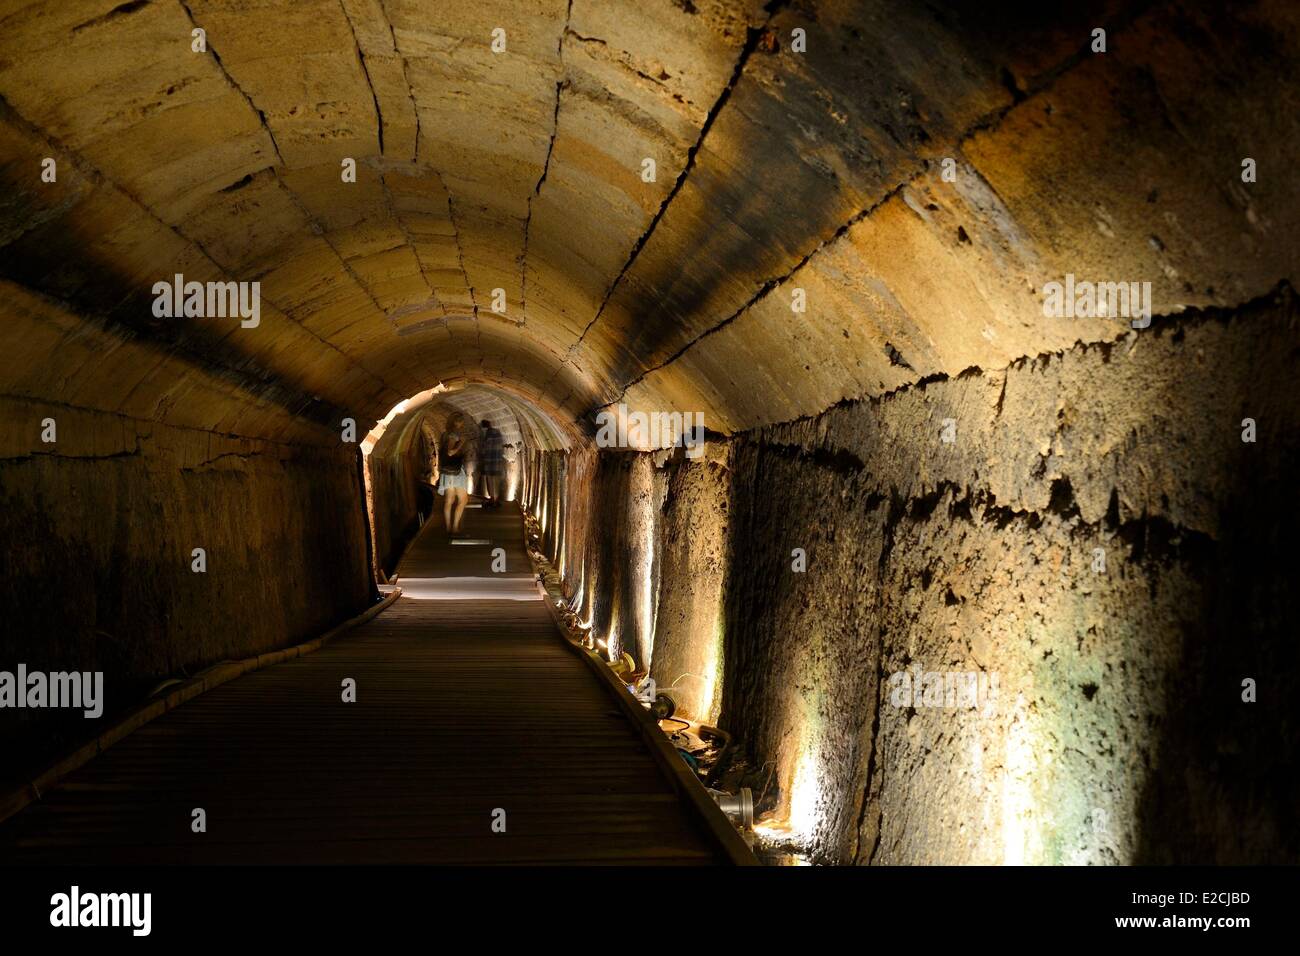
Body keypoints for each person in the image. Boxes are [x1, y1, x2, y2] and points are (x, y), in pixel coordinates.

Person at [438, 413, 470, 537]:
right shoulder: (454, 434)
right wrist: (461, 443)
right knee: (463, 500)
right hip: (455, 471)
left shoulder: (445, 434)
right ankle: (454, 528)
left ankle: (448, 528)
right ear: (458, 423)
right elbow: (450, 452)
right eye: (461, 421)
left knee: (449, 500)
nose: (462, 424)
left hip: (447, 472)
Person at [478, 418, 505, 508]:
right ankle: (496, 500)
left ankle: (492, 499)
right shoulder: (497, 433)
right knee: (496, 480)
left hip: (489, 461)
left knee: (490, 480)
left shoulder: (487, 435)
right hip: (497, 461)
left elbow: (485, 448)